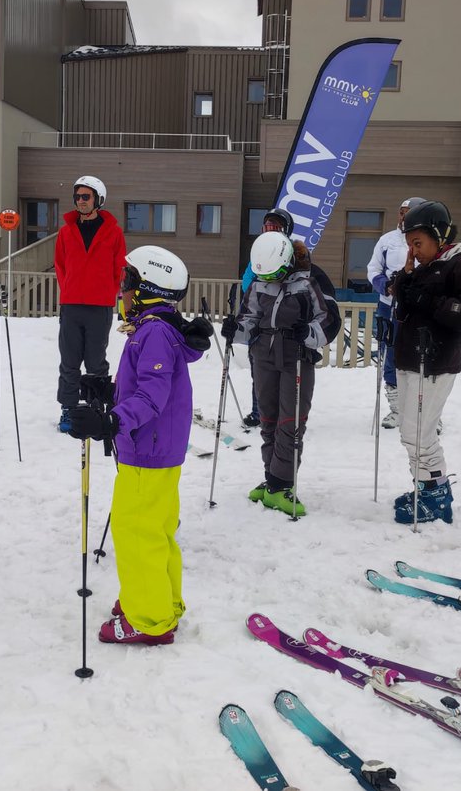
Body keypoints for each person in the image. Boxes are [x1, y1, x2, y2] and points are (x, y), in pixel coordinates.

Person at [67, 246, 211, 645]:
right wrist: (109, 391)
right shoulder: (154, 329)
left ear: (147, 289)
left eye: (127, 282)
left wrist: (111, 420)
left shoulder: (154, 333)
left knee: (136, 533)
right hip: (156, 448)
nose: (121, 291)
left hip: (148, 450)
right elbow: (144, 386)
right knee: (157, 531)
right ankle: (158, 600)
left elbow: (152, 396)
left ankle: (149, 620)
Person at [389, 200, 461, 524]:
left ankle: (436, 494)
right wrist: (405, 278)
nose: (414, 251)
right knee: (409, 431)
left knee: (419, 432)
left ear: (438, 235)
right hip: (410, 358)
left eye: (418, 243)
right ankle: (424, 487)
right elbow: (407, 304)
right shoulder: (426, 266)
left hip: (434, 362)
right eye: (409, 245)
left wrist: (431, 301)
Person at [223, 232, 331, 517]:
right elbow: (249, 318)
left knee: (290, 420)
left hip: (296, 356)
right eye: (265, 276)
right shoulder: (259, 283)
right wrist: (235, 329)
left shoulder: (307, 283)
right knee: (268, 419)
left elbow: (326, 318)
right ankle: (272, 477)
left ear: (287, 263)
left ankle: (282, 484)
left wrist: (307, 332)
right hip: (264, 356)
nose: (269, 281)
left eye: (274, 275)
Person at [237, 208, 340, 427]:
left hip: (291, 342)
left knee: (287, 389)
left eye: (276, 227)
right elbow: (248, 283)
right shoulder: (259, 257)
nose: (270, 231)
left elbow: (325, 310)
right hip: (262, 330)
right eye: (267, 227)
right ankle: (259, 412)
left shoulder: (297, 263)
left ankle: (285, 422)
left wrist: (309, 331)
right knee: (260, 374)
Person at [54, 175, 127, 433]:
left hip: (99, 307)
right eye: (77, 196)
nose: (81, 201)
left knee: (96, 362)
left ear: (98, 199)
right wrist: (70, 289)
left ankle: (97, 406)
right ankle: (69, 408)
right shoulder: (66, 232)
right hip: (72, 306)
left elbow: (120, 268)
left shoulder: (114, 232)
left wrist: (108, 292)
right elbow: (60, 265)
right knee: (69, 361)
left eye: (86, 196)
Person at [367, 197, 427, 428]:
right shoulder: (387, 240)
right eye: (401, 212)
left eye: (408, 212)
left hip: (419, 308)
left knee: (421, 356)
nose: (403, 217)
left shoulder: (429, 241)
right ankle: (396, 409)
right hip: (389, 305)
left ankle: (425, 413)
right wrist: (386, 286)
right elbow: (373, 269)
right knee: (391, 354)